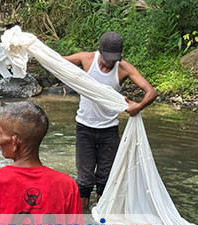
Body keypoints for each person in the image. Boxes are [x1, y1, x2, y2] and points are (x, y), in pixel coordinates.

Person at [64, 31, 157, 209]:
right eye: (107, 58)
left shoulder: (123, 68)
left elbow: (151, 92)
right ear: (99, 50)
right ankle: (83, 219)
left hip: (109, 131)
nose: (109, 63)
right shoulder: (87, 59)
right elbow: (57, 62)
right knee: (84, 180)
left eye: (114, 59)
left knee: (105, 178)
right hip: (84, 127)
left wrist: (138, 106)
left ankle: (102, 219)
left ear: (120, 55)